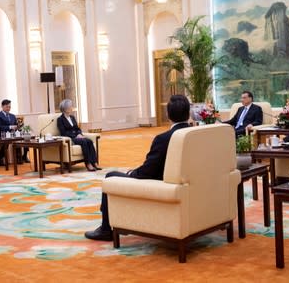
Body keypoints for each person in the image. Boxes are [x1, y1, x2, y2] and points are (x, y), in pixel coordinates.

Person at [84, 95, 191, 241]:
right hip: (185, 184)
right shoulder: (194, 134)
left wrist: (132, 173)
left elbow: (147, 172)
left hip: (160, 183)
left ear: (168, 115)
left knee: (111, 176)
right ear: (188, 113)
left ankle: (106, 229)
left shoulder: (164, 139)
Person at [57, 99, 101, 172]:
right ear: (65, 108)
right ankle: (88, 163)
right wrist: (75, 136)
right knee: (84, 142)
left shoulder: (72, 117)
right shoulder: (60, 119)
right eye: (70, 107)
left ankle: (94, 162)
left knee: (89, 141)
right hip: (71, 138)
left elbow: (77, 128)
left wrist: (79, 134)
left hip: (77, 136)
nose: (72, 108)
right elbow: (63, 132)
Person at [0, 99, 29, 163]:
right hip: (4, 134)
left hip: (14, 134)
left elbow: (16, 125)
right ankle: (1, 158)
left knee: (25, 138)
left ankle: (23, 156)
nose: (8, 108)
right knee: (7, 142)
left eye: (9, 107)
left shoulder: (12, 116)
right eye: (7, 107)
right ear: (2, 106)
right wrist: (10, 127)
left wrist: (19, 126)